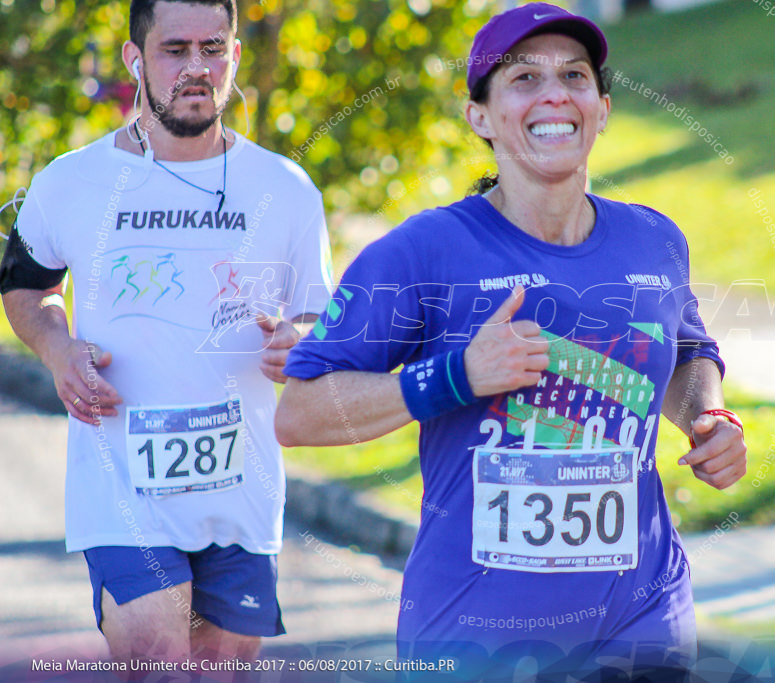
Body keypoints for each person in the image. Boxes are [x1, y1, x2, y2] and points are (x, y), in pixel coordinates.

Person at [276, 3, 746, 679]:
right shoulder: (425, 250)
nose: (555, 92)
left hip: (643, 621)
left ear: (602, 107)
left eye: (574, 75)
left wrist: (709, 415)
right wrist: (454, 376)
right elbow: (301, 411)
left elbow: (688, 352)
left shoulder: (654, 238)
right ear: (480, 117)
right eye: (524, 78)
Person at [0, 0, 332, 664]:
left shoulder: (286, 188)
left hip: (243, 492)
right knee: (156, 660)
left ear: (235, 55)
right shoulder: (70, 182)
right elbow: (25, 286)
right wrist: (57, 346)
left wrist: (301, 344)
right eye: (174, 50)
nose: (196, 68)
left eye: (213, 48)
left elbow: (317, 318)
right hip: (122, 490)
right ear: (135, 59)